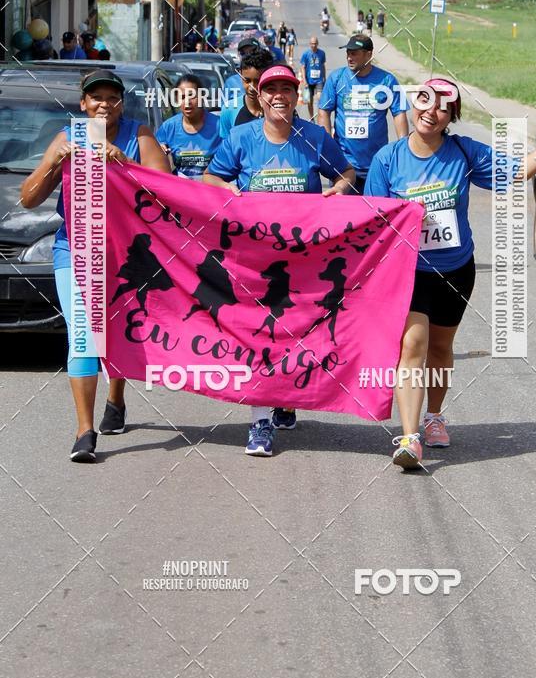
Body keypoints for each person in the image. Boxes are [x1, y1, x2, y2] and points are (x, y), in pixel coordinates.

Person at [364, 77, 536, 470]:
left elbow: (519, 172)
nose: (431, 111)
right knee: (413, 346)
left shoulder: (463, 152)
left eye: (442, 106)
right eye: (425, 101)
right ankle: (408, 438)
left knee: (440, 349)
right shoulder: (387, 160)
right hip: (408, 272)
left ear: (450, 116)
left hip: (456, 270)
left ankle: (434, 416)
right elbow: (373, 220)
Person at [204, 64, 355, 456]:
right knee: (260, 335)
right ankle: (259, 424)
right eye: (271, 89)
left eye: (287, 89)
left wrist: (339, 189)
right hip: (255, 260)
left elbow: (348, 174)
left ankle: (285, 395)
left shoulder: (315, 138)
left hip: (306, 258)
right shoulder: (241, 138)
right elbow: (211, 179)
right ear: (260, 93)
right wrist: (231, 195)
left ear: (296, 95)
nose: (279, 97)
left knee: (296, 332)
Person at [20, 70, 171, 463]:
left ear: (122, 103)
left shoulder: (138, 136)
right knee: (84, 333)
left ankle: (116, 398)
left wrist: (124, 162)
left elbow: (168, 192)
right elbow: (28, 200)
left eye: (112, 97)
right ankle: (84, 431)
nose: (104, 104)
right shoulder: (67, 138)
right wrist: (54, 162)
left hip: (125, 254)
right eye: (96, 97)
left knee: (116, 330)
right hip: (74, 249)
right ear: (82, 103)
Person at [318, 34, 409, 194]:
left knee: (375, 214)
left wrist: (403, 150)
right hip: (344, 164)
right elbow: (324, 111)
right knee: (346, 214)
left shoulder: (387, 80)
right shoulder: (337, 78)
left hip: (377, 163)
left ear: (369, 54)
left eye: (354, 53)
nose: (349, 57)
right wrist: (328, 145)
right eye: (348, 53)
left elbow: (399, 113)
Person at [156, 73, 221, 178]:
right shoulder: (168, 128)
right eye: (182, 97)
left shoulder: (219, 126)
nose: (187, 102)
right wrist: (160, 151)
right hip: (179, 191)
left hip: (211, 190)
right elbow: (154, 162)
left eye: (192, 96)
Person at [219, 48, 273, 137]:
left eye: (258, 81)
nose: (252, 88)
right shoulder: (229, 110)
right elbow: (226, 147)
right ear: (240, 74)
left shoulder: (279, 110)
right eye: (247, 80)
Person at [223, 36, 263, 103]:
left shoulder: (268, 78)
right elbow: (224, 107)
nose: (247, 55)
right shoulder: (231, 82)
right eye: (243, 53)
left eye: (252, 52)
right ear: (238, 55)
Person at [300, 36, 327, 121]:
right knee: (309, 101)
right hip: (309, 80)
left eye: (315, 43)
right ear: (309, 44)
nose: (313, 45)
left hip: (319, 80)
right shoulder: (306, 54)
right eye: (312, 44)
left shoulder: (322, 53)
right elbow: (303, 67)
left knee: (320, 98)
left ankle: (320, 116)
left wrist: (324, 77)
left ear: (317, 44)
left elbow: (323, 66)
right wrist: (304, 79)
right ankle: (312, 118)